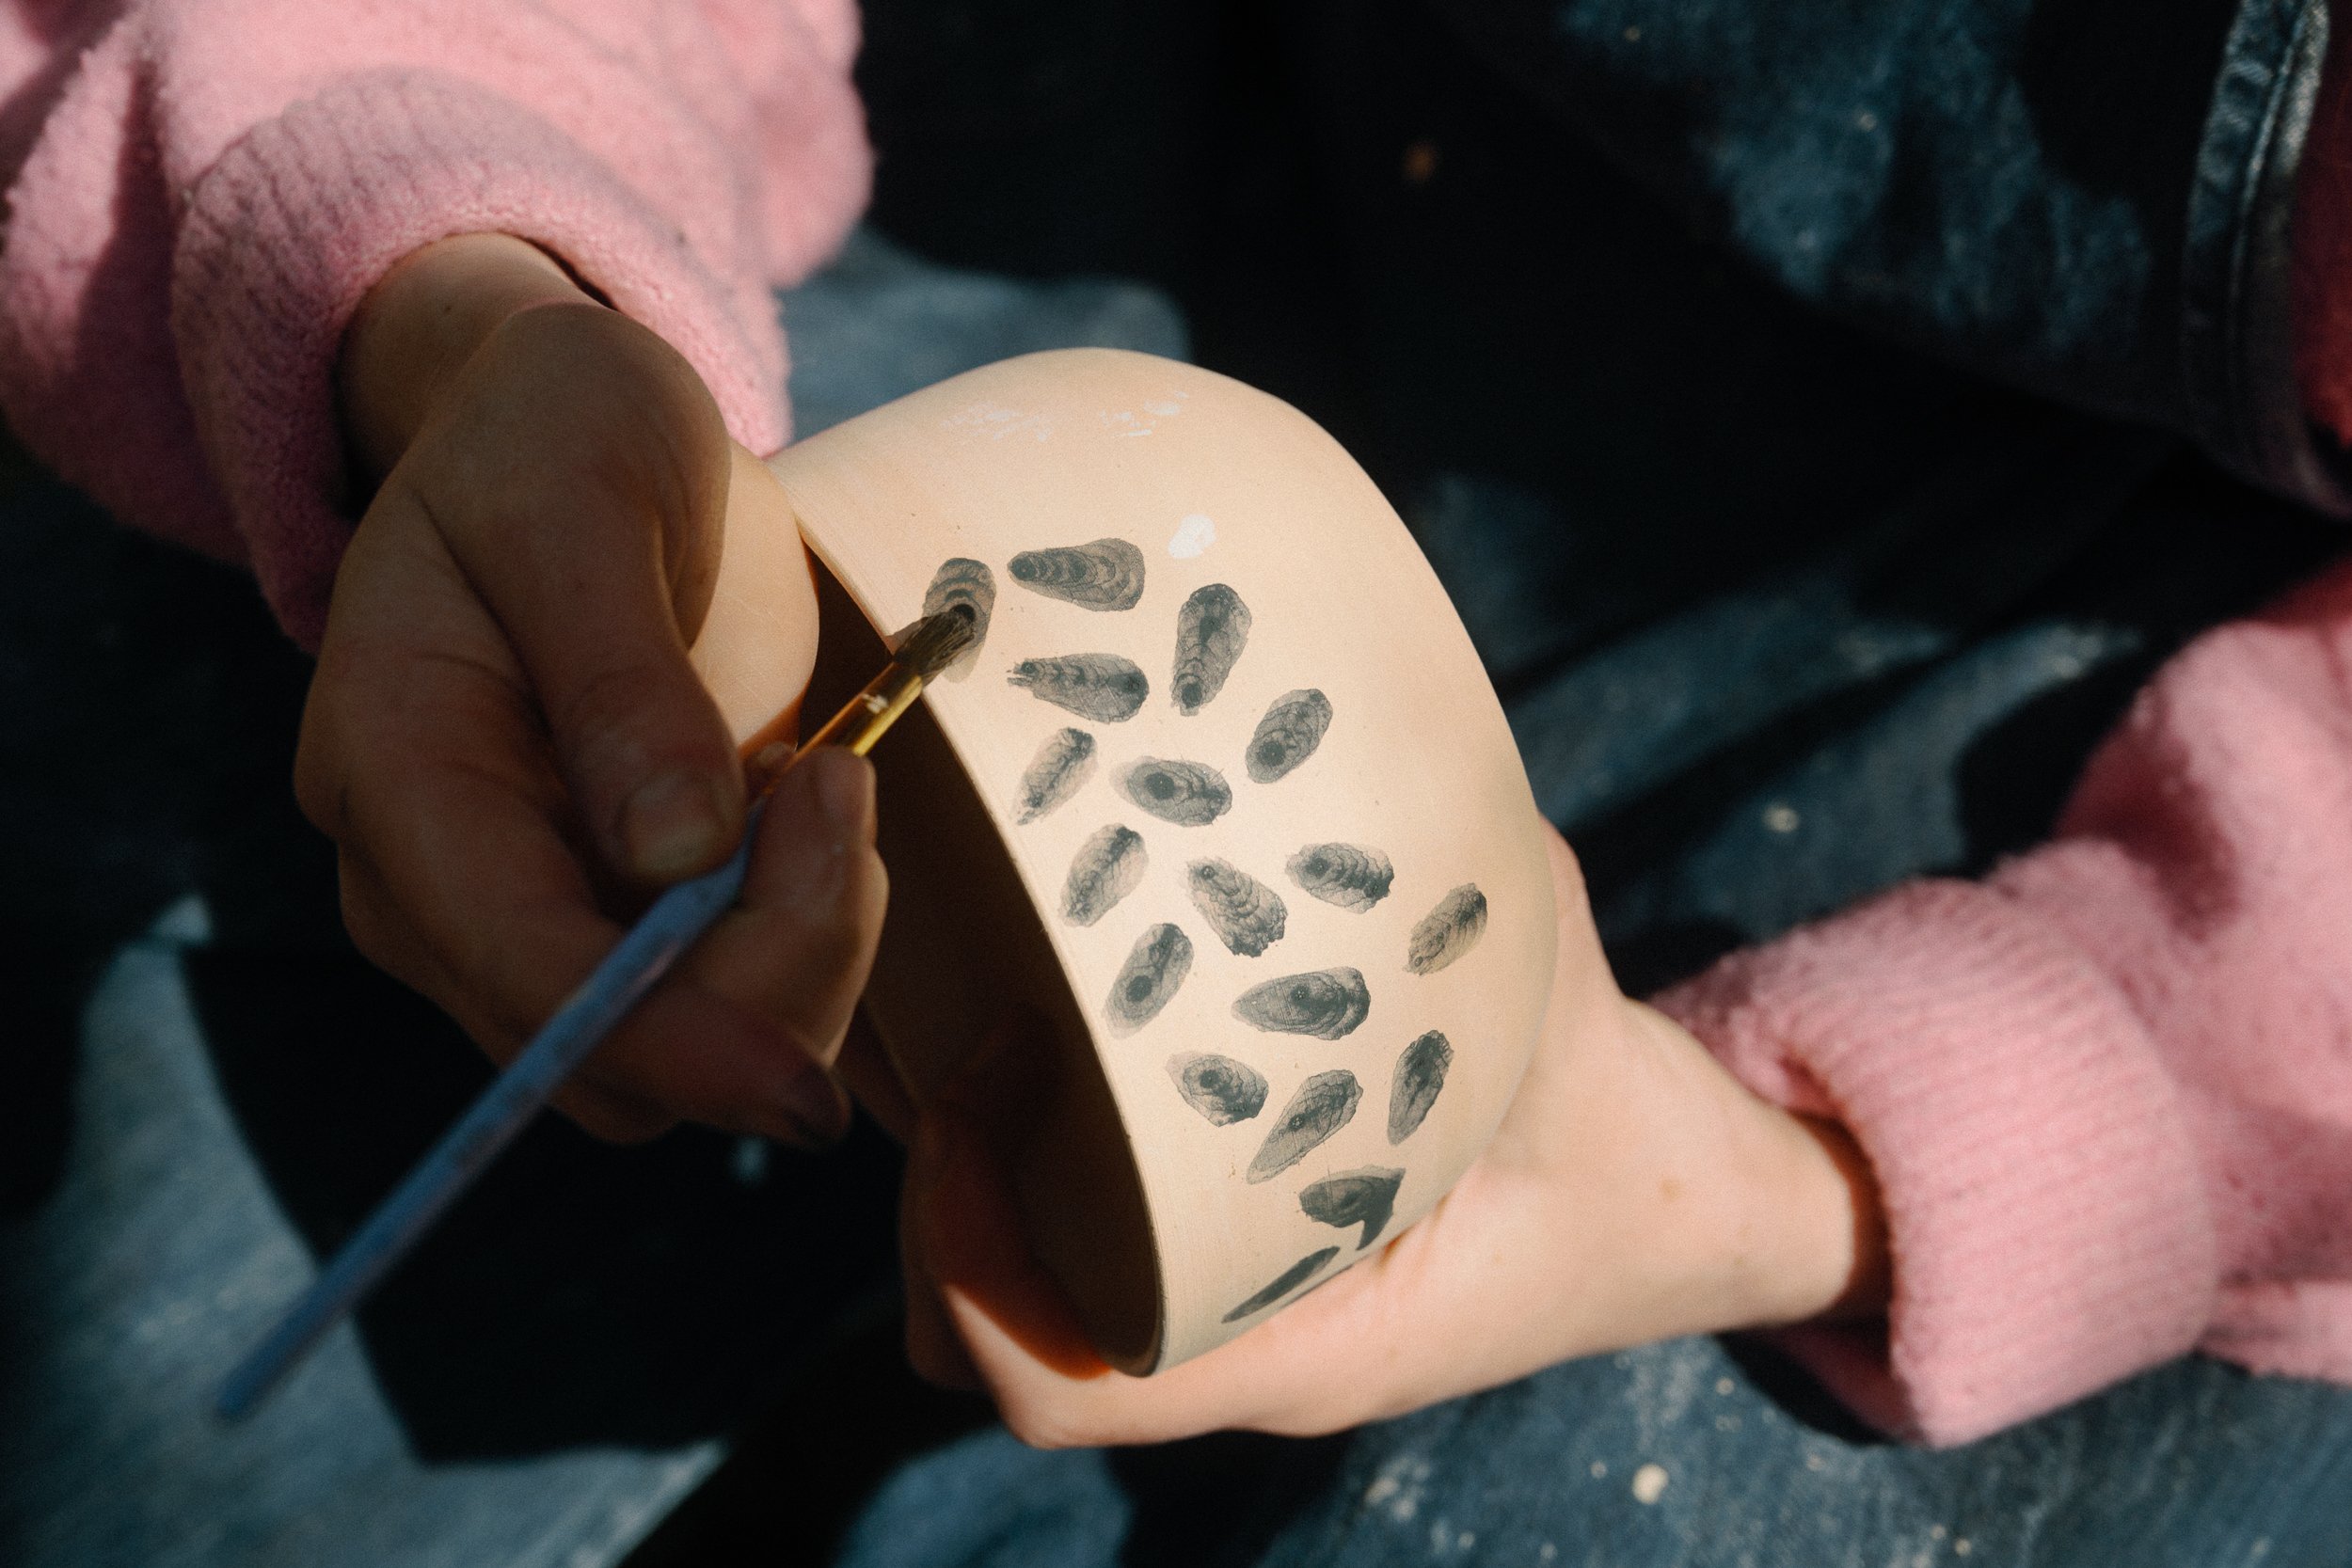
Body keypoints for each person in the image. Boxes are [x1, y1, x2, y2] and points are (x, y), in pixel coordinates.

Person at [5, 1, 2351, 1560]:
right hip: (977, 155)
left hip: (2176, 852)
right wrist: (442, 255)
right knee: (178, 1137)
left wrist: (1842, 1169)